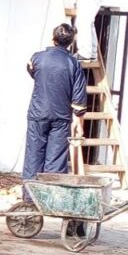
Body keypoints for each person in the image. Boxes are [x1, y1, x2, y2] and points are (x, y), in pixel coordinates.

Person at [22, 23, 88, 201]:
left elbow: (32, 71)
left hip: (38, 114)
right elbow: (79, 98)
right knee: (56, 159)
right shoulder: (73, 64)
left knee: (33, 156)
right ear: (71, 42)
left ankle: (30, 200)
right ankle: (50, 200)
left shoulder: (36, 58)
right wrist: (79, 124)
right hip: (61, 117)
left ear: (53, 38)